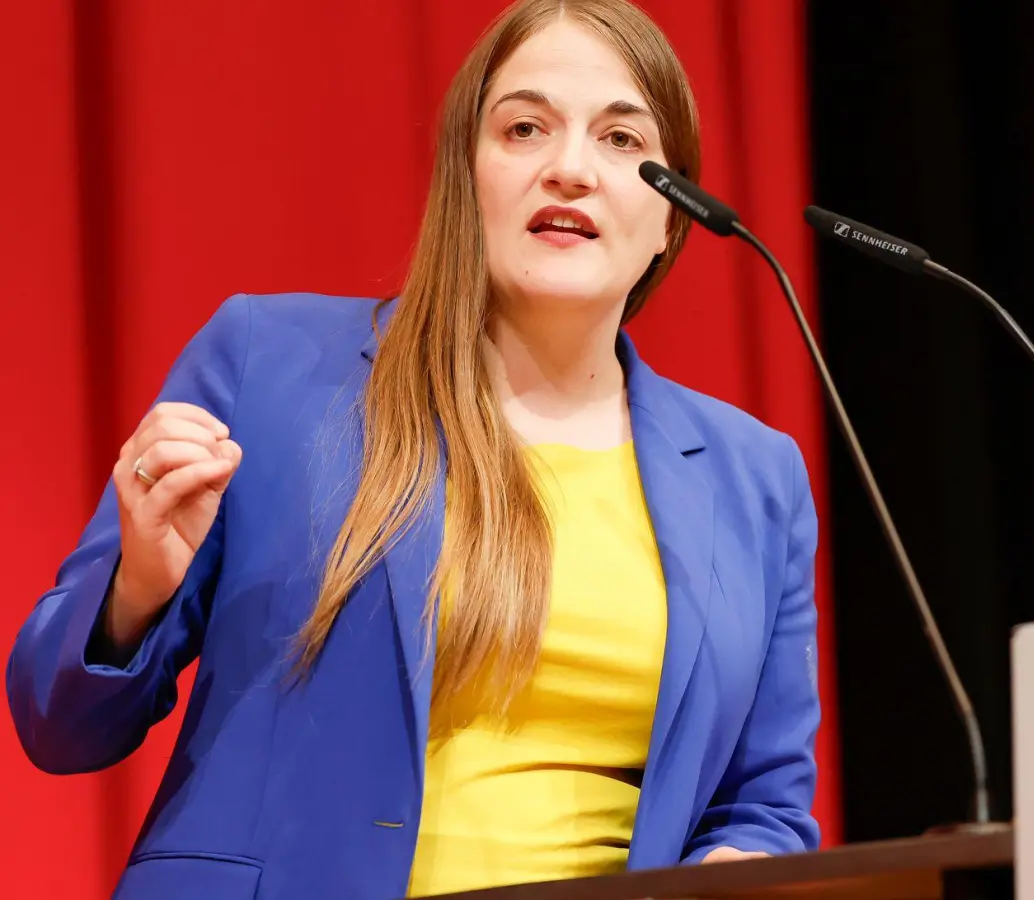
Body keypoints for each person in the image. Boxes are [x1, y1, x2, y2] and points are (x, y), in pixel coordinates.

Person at [5, 1, 822, 898]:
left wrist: (744, 863)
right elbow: (59, 727)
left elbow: (765, 805)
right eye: (524, 128)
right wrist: (137, 592)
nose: (571, 169)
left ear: (673, 216)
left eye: (624, 141)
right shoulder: (268, 367)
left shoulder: (758, 477)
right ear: (467, 175)